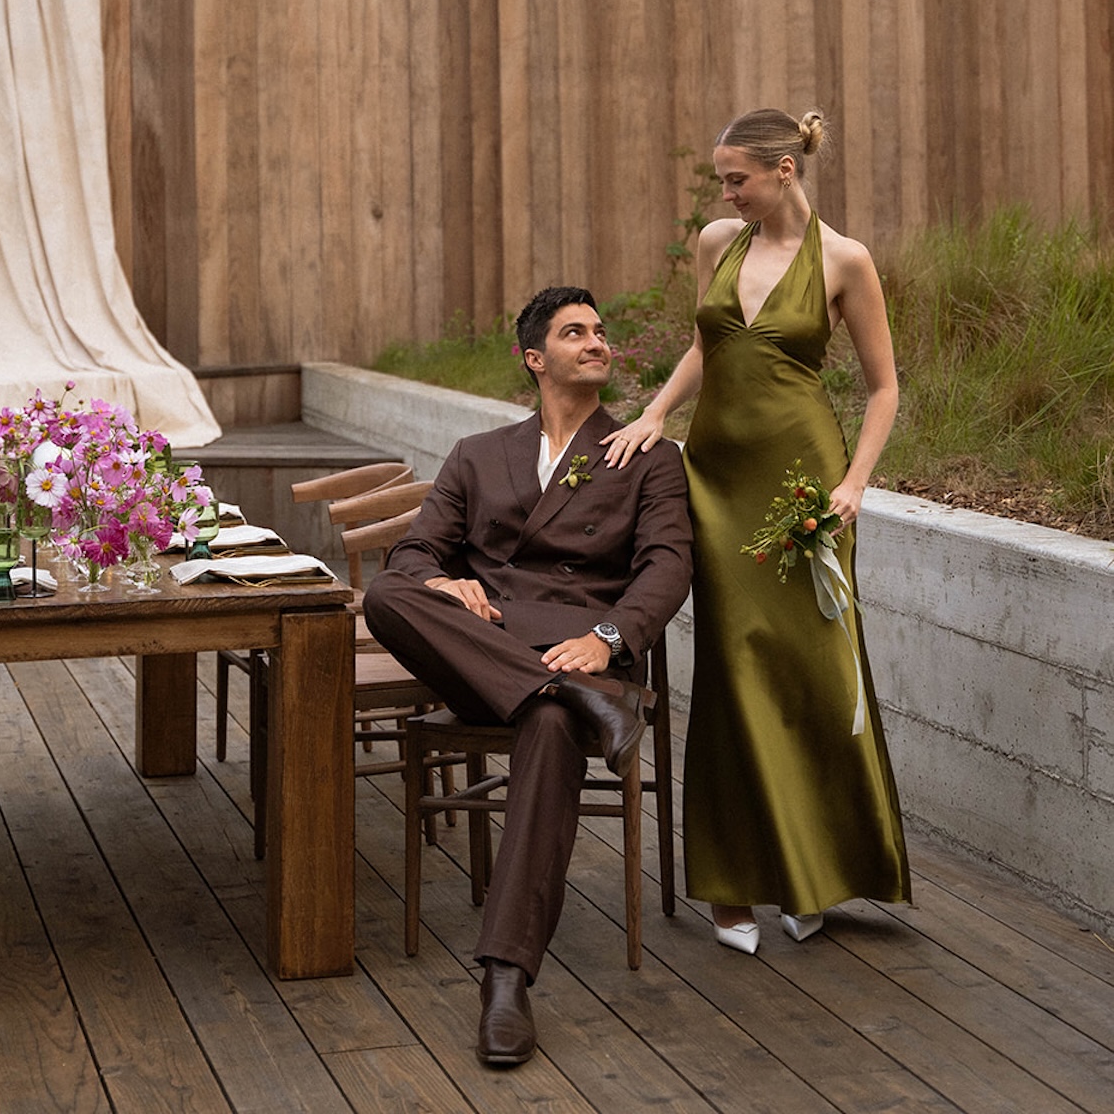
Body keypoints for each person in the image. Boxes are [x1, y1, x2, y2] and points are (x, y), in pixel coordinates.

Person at [603, 108, 910, 954]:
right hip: (717, 482)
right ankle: (737, 885)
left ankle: (809, 875)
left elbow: (884, 389)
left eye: (736, 177)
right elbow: (711, 345)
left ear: (785, 170)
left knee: (812, 671)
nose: (724, 192)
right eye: (721, 179)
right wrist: (658, 411)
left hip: (805, 487)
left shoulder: (846, 261)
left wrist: (853, 486)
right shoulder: (716, 243)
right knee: (735, 673)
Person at [364, 286, 692, 1066]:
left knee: (546, 727)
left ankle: (505, 978)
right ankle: (574, 697)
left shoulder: (649, 455)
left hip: (581, 644)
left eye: (601, 331)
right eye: (575, 333)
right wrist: (444, 585)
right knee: (387, 595)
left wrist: (607, 639)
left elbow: (668, 566)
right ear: (535, 359)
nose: (598, 342)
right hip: (494, 653)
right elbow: (412, 555)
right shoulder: (478, 454)